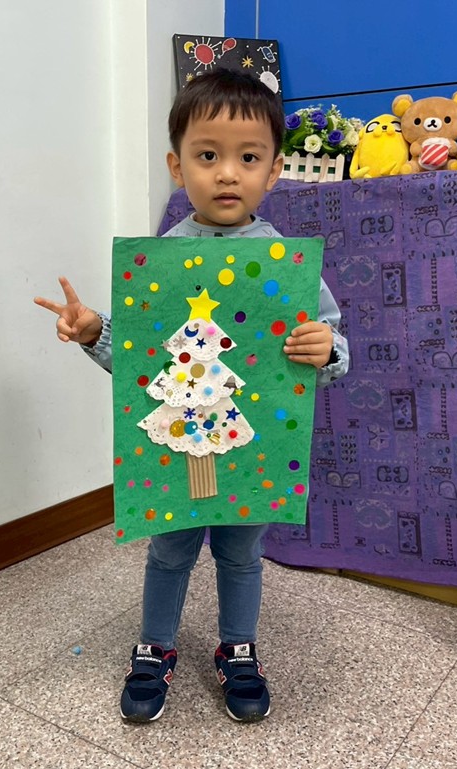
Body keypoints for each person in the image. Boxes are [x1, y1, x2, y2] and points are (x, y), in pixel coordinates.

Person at [33, 69, 350, 724]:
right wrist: (93, 331)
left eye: (248, 157)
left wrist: (326, 350)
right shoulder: (161, 260)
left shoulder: (287, 264)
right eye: (208, 155)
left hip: (251, 444)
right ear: (178, 167)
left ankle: (238, 647)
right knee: (170, 549)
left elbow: (329, 346)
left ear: (275, 170)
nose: (227, 173)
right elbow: (141, 363)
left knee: (241, 551)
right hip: (175, 447)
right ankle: (155, 646)